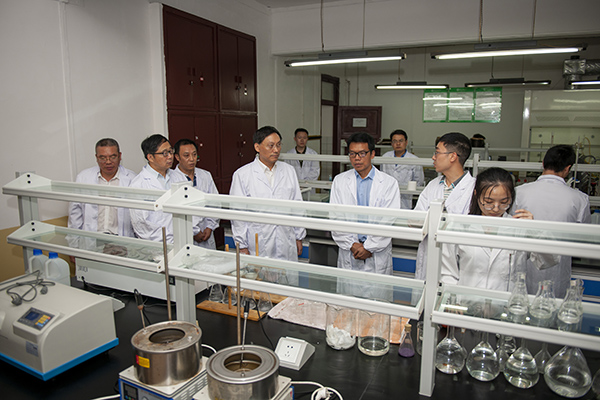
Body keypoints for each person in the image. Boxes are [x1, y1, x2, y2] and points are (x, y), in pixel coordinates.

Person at [441, 167, 557, 291]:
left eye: (503, 202)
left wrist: (536, 231)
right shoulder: (461, 227)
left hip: (507, 300)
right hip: (467, 299)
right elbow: (448, 273)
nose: (496, 208)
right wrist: (453, 296)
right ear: (476, 194)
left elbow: (548, 261)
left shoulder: (519, 228)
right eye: (488, 202)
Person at [513, 144, 591, 297]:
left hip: (524, 268)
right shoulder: (580, 199)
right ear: (567, 168)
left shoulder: (519, 192)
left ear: (543, 163)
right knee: (553, 305)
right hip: (558, 271)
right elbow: (584, 238)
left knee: (520, 303)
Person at [230, 126, 306, 262]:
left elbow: (297, 206)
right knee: (261, 273)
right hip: (258, 243)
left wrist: (299, 236)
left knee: (287, 274)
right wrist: (242, 245)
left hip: (286, 239)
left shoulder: (289, 171)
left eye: (278, 145)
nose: (276, 150)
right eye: (271, 146)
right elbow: (237, 214)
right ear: (257, 147)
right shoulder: (242, 175)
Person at [330, 132, 401, 276]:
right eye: (352, 154)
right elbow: (335, 218)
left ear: (372, 154)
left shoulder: (389, 183)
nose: (357, 158)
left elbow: (388, 221)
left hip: (377, 254)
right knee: (348, 289)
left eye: (362, 153)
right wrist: (352, 245)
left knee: (376, 290)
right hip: (350, 251)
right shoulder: (340, 181)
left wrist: (368, 247)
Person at [414, 132, 476, 280]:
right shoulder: (433, 185)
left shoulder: (474, 189)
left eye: (437, 152)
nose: (433, 157)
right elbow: (417, 219)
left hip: (458, 263)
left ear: (453, 156)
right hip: (429, 258)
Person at [68, 138, 136, 237]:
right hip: (93, 236)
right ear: (96, 157)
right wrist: (74, 240)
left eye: (113, 157)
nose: (108, 162)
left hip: (121, 238)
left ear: (120, 156)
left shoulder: (132, 179)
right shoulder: (83, 177)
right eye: (103, 158)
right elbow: (75, 213)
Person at [171, 139, 220, 250]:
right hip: (185, 234)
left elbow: (215, 203)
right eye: (186, 155)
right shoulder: (172, 179)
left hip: (206, 233)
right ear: (177, 157)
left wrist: (210, 227)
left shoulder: (205, 175)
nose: (192, 159)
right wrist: (194, 231)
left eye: (194, 154)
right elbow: (175, 212)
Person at [129, 134, 176, 243]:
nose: (170, 156)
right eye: (165, 153)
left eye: (171, 151)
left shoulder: (178, 177)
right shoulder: (138, 185)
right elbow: (142, 226)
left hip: (182, 240)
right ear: (150, 157)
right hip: (157, 245)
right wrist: (170, 240)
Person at [381, 129, 424, 209]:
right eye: (395, 141)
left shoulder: (414, 160)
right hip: (387, 195)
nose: (398, 144)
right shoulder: (385, 157)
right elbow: (382, 177)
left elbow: (419, 181)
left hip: (406, 198)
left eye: (401, 141)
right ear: (391, 143)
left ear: (406, 142)